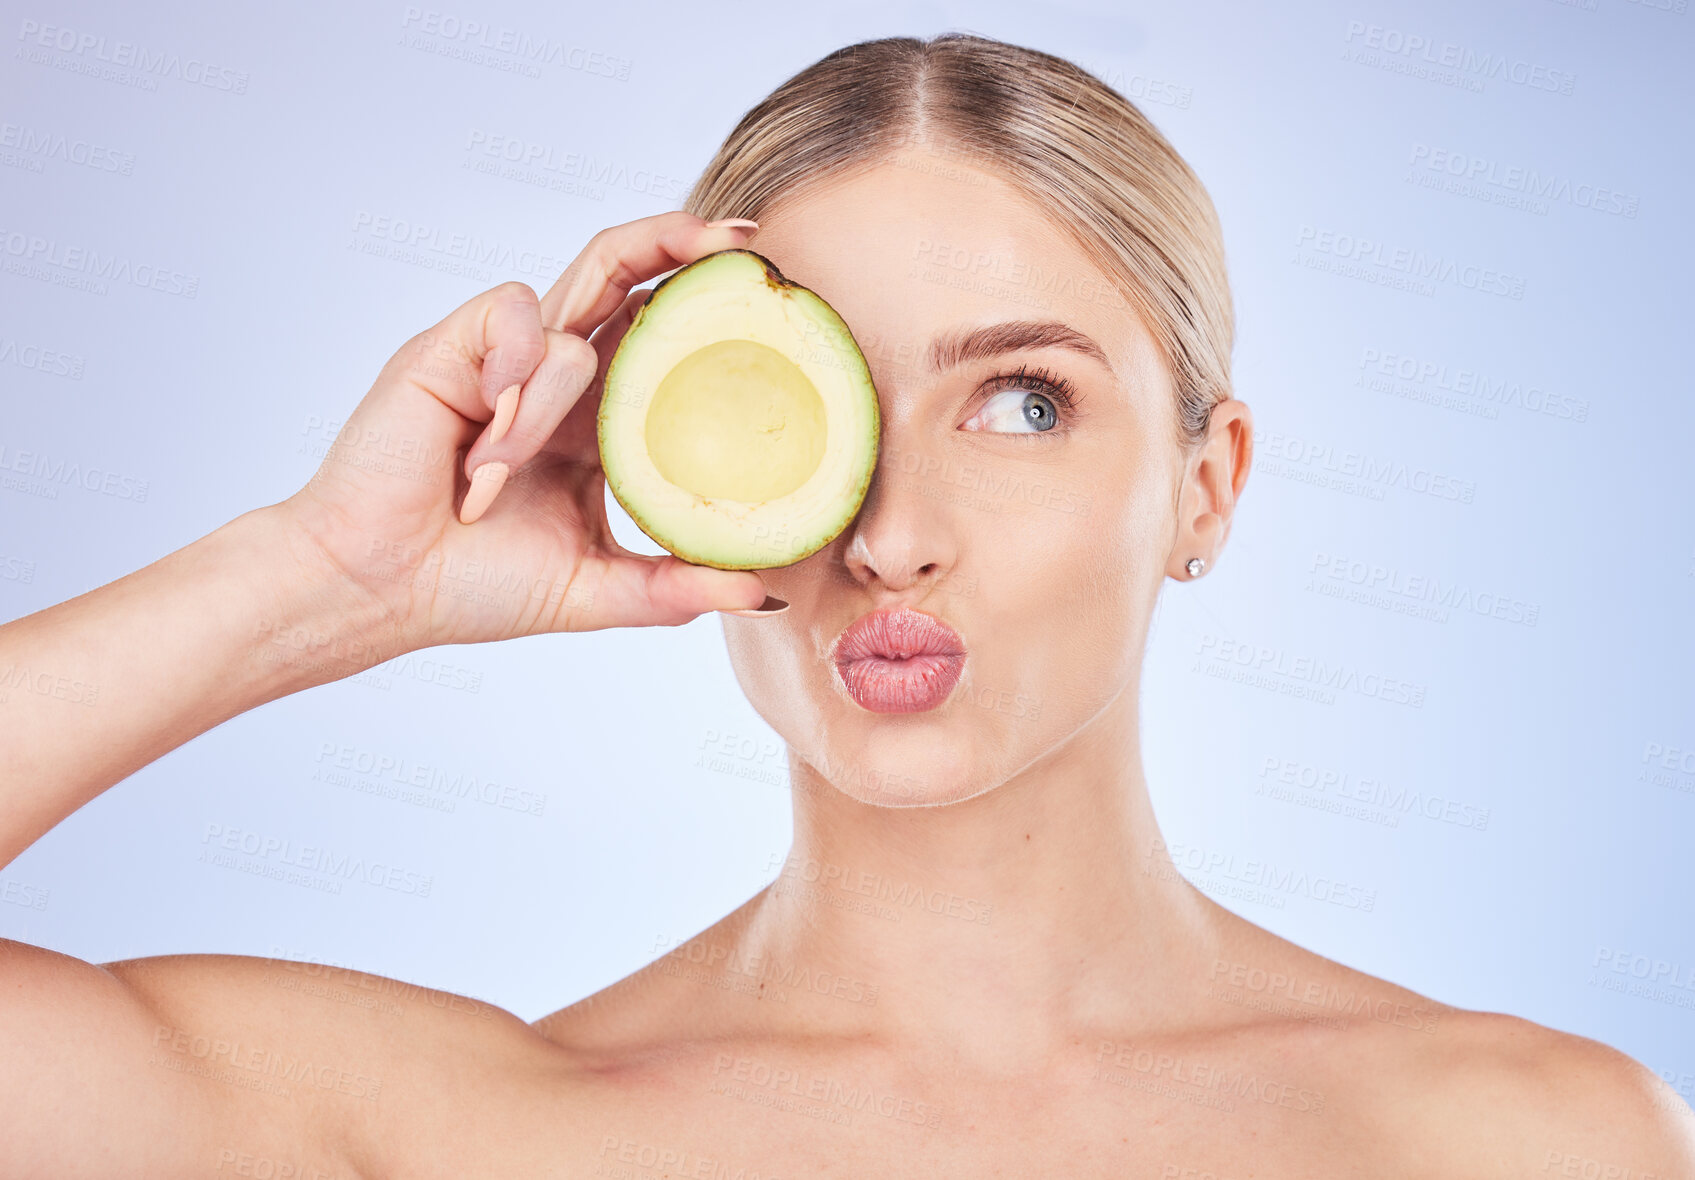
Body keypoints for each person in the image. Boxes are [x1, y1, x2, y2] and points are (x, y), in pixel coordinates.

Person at [2, 32, 1689, 1178]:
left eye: (1023, 402)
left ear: (1207, 484)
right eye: (815, 415)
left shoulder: (1526, 1140)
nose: (890, 538)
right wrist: (330, 581)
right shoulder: (470, 1132)